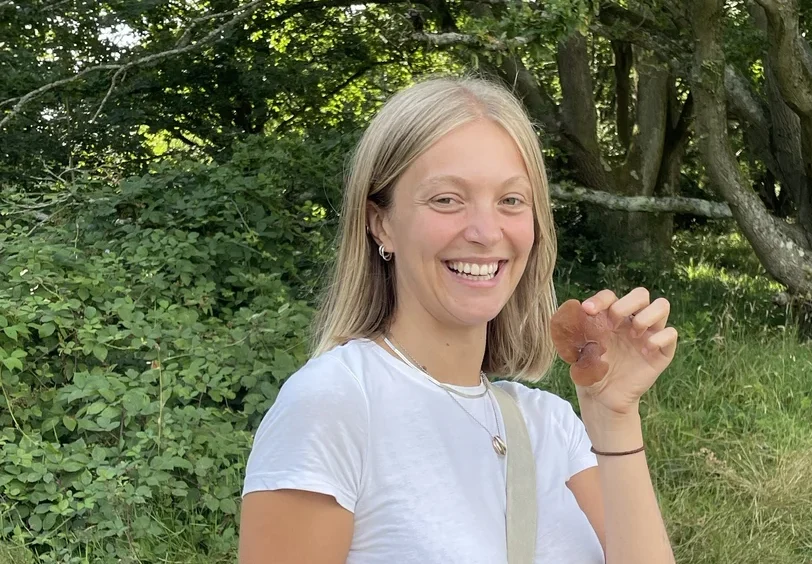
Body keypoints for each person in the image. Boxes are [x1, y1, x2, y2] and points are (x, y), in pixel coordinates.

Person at [237, 75, 678, 564]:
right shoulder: (335, 404)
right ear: (381, 222)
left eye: (511, 200)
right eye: (447, 199)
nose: (486, 232)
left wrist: (612, 416)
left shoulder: (551, 425)